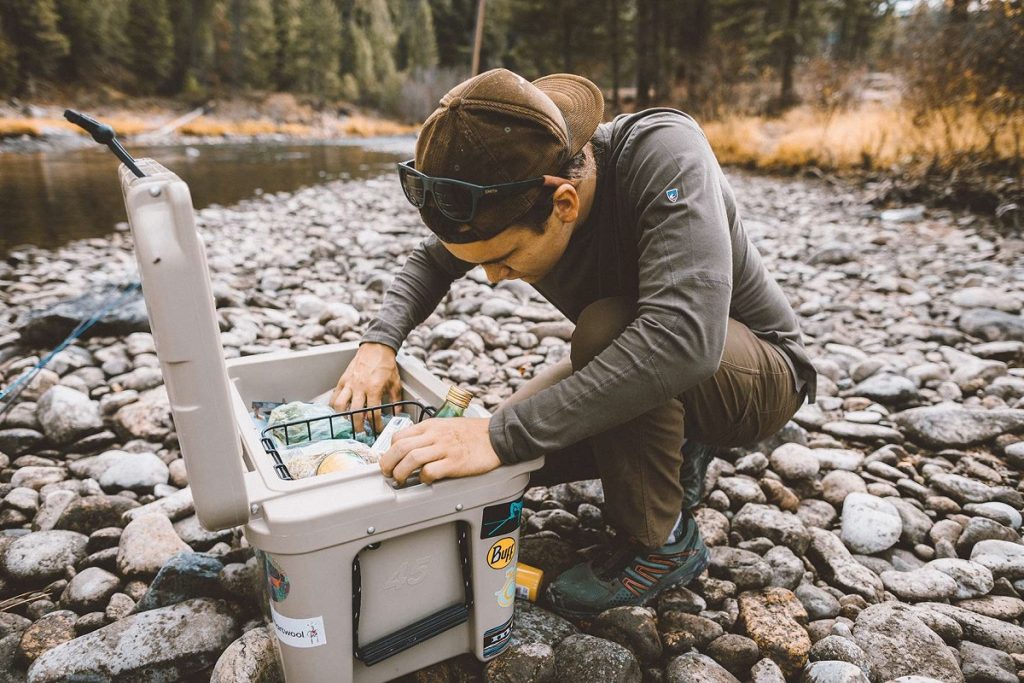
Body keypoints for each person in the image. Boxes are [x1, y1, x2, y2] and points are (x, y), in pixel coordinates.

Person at [331, 68, 817, 618]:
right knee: (491, 468)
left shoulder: (664, 154)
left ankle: (663, 543)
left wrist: (500, 434)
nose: (492, 277)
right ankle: (676, 446)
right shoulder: (508, 186)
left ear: (563, 203)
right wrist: (379, 344)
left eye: (502, 259)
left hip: (759, 375)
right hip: (642, 357)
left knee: (594, 340)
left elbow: (684, 340)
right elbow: (431, 259)